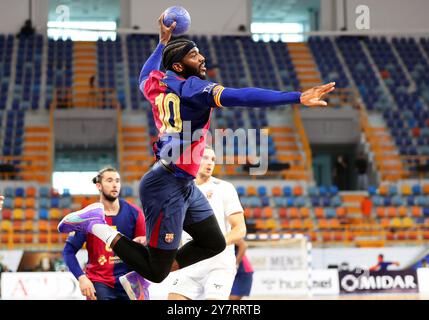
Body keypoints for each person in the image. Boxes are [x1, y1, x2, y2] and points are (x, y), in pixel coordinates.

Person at [58, 12, 335, 285]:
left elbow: (144, 74)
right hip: (165, 185)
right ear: (179, 66)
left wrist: (162, 42)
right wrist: (297, 97)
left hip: (181, 182)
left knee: (213, 242)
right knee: (157, 273)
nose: (201, 57)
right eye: (193, 55)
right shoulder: (192, 88)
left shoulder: (157, 84)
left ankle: (143, 268)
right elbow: (242, 96)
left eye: (199, 52)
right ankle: (98, 225)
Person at [164, 146, 246, 300]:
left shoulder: (224, 188)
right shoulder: (178, 192)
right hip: (189, 264)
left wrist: (213, 244)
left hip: (218, 265)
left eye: (213, 159)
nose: (210, 163)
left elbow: (240, 229)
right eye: (205, 158)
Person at [62, 167, 147, 300]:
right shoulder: (88, 217)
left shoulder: (135, 213)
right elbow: (68, 251)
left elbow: (143, 248)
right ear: (99, 186)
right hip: (99, 282)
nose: (115, 184)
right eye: (109, 180)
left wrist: (144, 242)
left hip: (130, 281)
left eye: (117, 181)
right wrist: (82, 278)